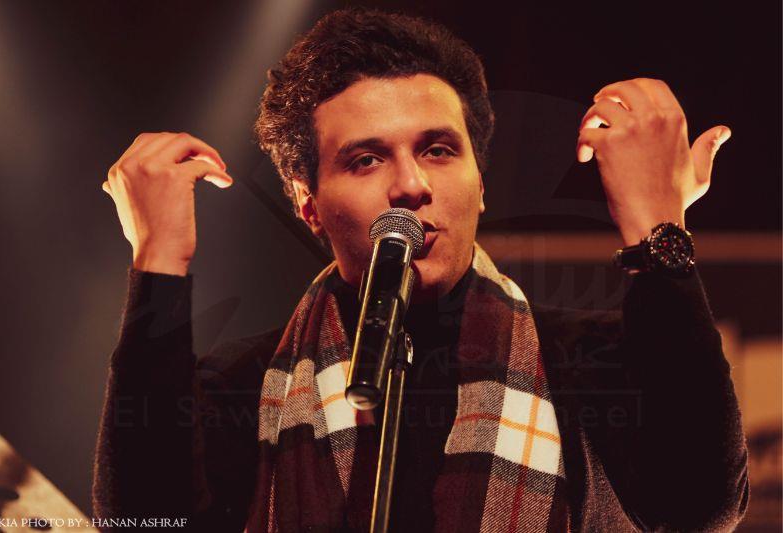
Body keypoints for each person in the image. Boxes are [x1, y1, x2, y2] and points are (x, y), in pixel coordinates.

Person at [94, 8, 749, 532]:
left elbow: (700, 506)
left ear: (480, 183)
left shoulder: (588, 361)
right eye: (365, 160)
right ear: (308, 203)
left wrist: (657, 226)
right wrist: (159, 261)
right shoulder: (246, 386)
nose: (410, 184)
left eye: (438, 150)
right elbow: (140, 521)